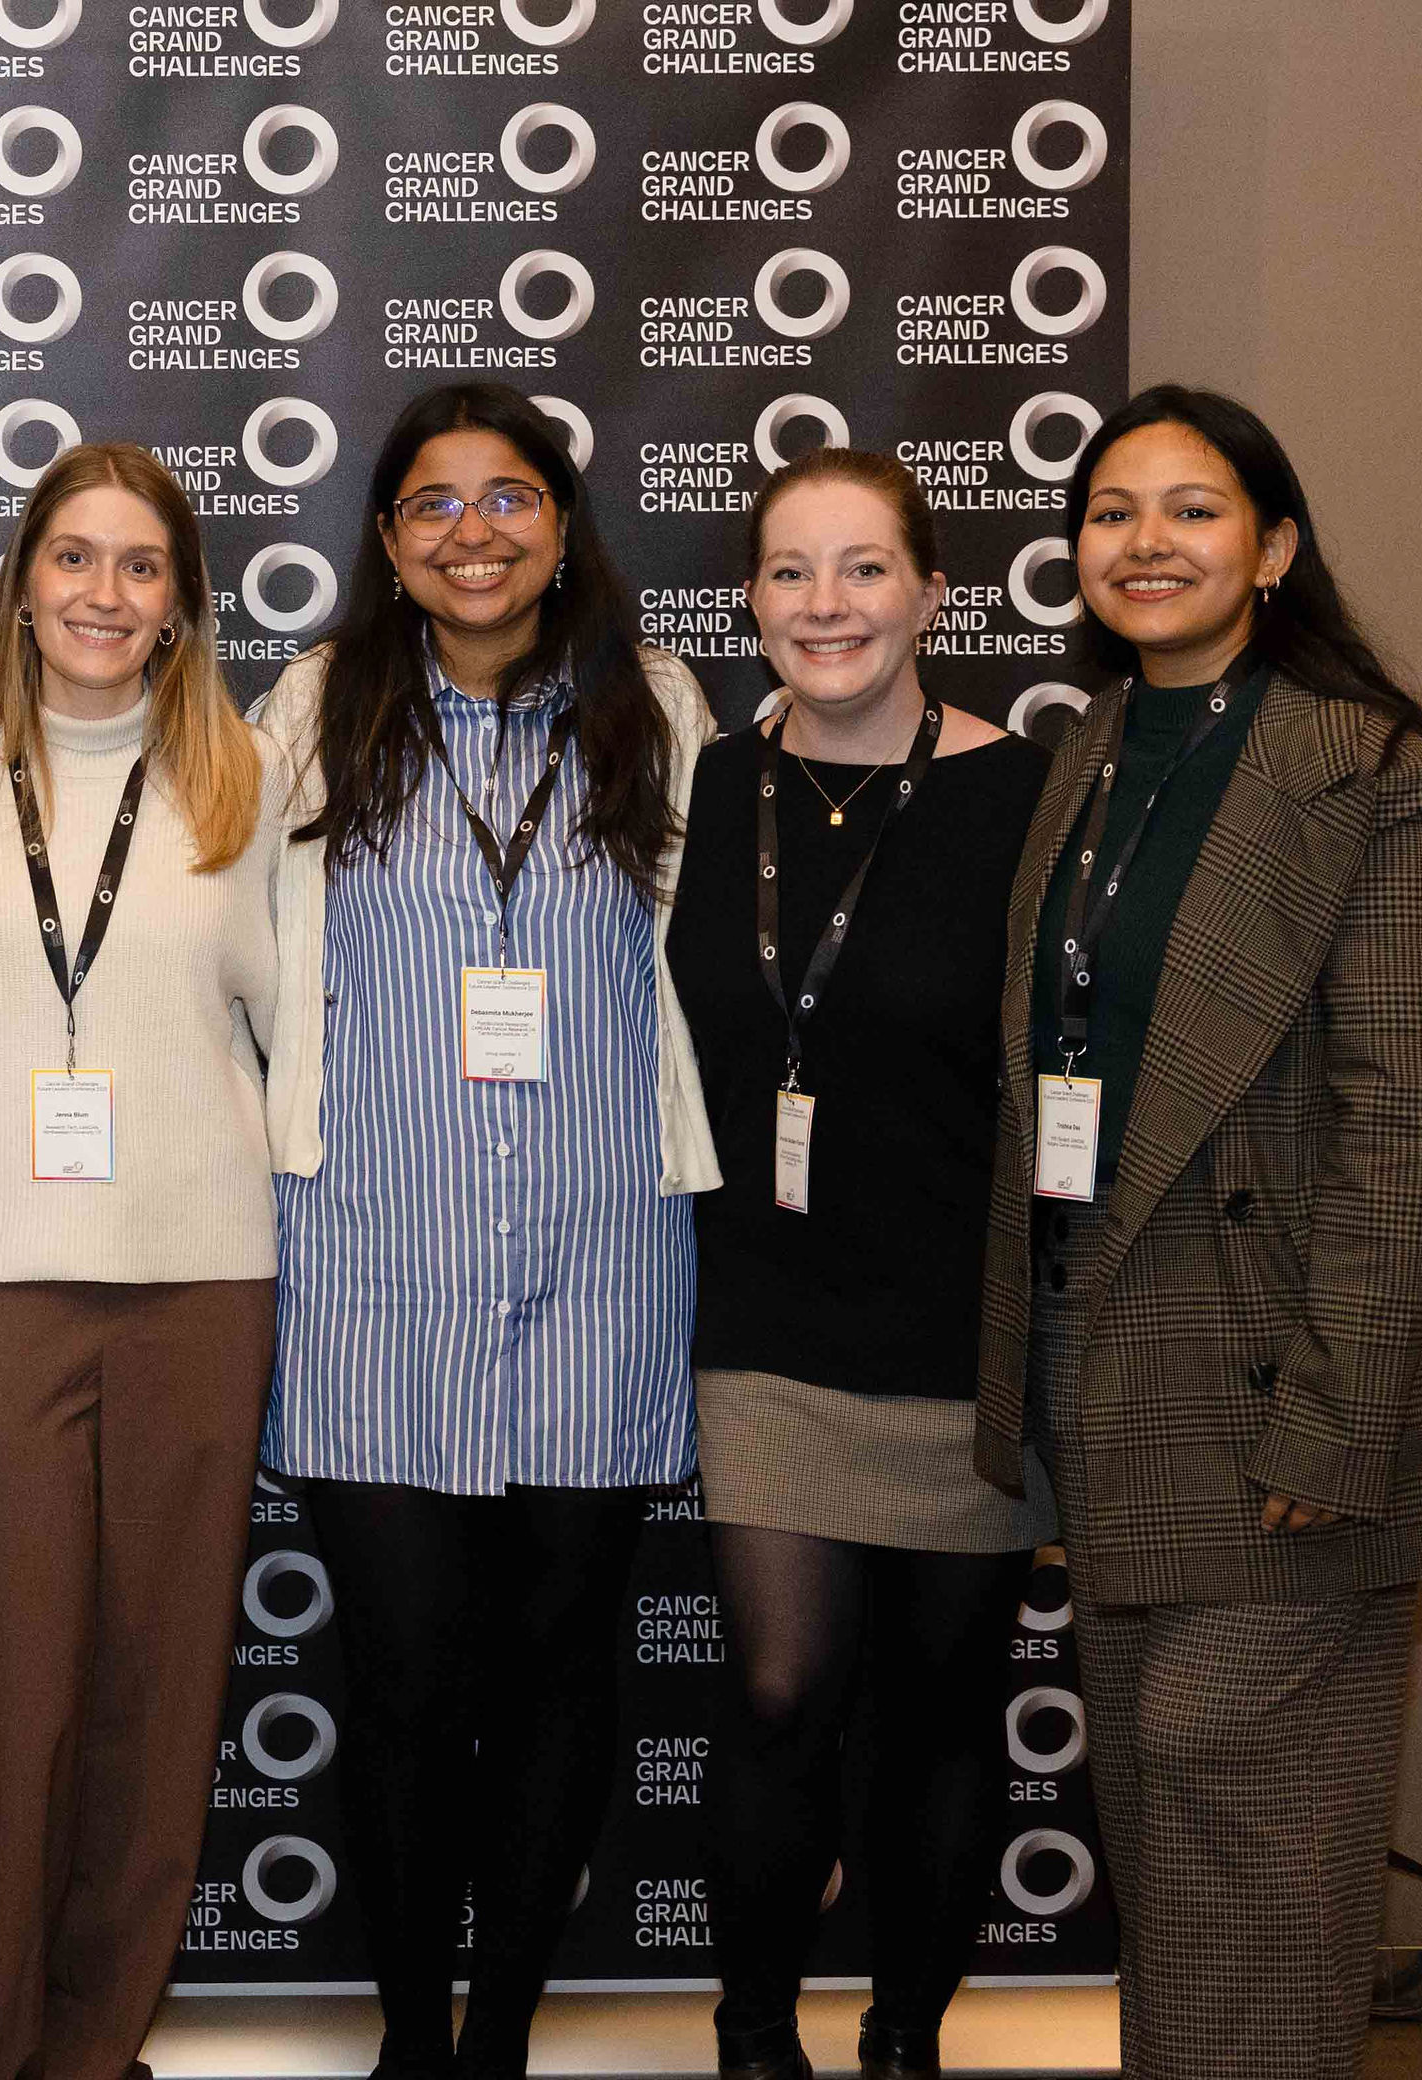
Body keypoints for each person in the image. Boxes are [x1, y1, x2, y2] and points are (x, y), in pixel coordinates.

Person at [254, 381, 717, 2080]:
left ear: (561, 525)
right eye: (433, 504)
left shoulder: (653, 707)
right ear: (383, 541)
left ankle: (504, 2029)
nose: (473, 531)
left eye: (508, 496)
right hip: (374, 1269)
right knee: (401, 1685)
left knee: (555, 1682)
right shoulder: (313, 710)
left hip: (600, 1265)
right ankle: (409, 2037)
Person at [974, 385, 1422, 2080]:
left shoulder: (1366, 768)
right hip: (1106, 1358)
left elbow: (1401, 1123)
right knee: (1173, 1847)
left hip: (1277, 1383)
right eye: (1108, 513)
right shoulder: (1085, 755)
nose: (1142, 543)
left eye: (1190, 511)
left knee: (1244, 1834)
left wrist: (1341, 1405)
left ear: (1275, 547)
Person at [0, 444, 284, 2080]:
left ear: (181, 606)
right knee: (1, 1681)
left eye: (138, 567)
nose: (101, 595)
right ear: (20, 583)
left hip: (201, 1273)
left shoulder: (245, 780)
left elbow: (298, 1031)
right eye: (71, 558)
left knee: (158, 1675)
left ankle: (97, 2041)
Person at [666, 449, 1051, 2080]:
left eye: (863, 569)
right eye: (789, 572)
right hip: (759, 1311)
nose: (825, 605)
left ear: (931, 596)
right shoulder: (694, 788)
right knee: (776, 1690)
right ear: (749, 603)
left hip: (965, 1322)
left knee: (943, 1710)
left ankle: (905, 2036)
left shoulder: (1030, 799)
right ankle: (753, 2039)